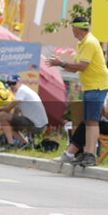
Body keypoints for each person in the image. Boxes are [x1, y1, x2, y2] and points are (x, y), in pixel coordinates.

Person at [46, 17, 108, 166]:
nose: (72, 31)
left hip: (97, 86)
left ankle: (89, 155)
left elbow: (82, 66)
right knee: (88, 121)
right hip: (91, 86)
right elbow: (76, 66)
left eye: (72, 27)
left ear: (76, 28)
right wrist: (62, 64)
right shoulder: (83, 43)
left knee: (92, 121)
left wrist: (61, 63)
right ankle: (84, 153)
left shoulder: (89, 42)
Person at [0, 74, 48, 151]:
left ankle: (11, 145)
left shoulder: (22, 90)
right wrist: (3, 124)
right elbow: (15, 113)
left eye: (13, 83)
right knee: (8, 122)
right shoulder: (23, 92)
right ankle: (25, 143)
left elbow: (8, 109)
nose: (11, 86)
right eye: (9, 84)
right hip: (39, 125)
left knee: (3, 115)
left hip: (37, 125)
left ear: (20, 82)